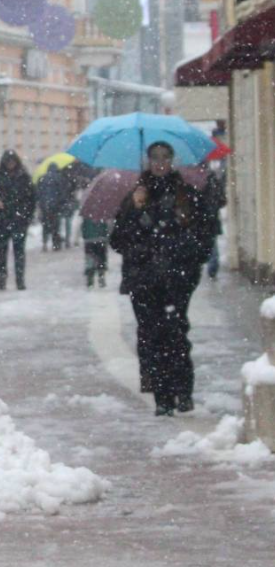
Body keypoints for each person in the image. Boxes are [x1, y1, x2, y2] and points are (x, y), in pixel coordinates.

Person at [110, 141, 216, 416]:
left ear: (172, 160)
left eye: (164, 157)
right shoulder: (135, 196)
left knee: (176, 332)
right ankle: (161, 395)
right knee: (149, 336)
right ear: (147, 161)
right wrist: (134, 210)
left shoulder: (187, 194)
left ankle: (182, 391)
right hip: (143, 280)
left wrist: (184, 258)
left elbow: (205, 236)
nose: (159, 162)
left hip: (176, 279)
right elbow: (118, 240)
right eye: (154, 157)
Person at [0, 150, 36, 291]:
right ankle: (2, 278)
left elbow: (32, 199)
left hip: (19, 221)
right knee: (2, 251)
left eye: (12, 162)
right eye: (8, 162)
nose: (10, 165)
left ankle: (20, 280)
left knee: (19, 251)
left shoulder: (24, 178)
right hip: (1, 220)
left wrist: (26, 216)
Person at [37, 163, 70, 252]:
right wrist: (63, 204)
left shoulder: (41, 178)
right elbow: (62, 192)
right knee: (55, 225)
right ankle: (55, 244)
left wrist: (40, 204)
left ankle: (44, 243)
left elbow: (38, 192)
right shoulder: (59, 178)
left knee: (45, 225)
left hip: (44, 205)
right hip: (55, 206)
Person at [203, 166, 227, 280]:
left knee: (210, 244)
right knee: (212, 245)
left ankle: (212, 267)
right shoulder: (213, 180)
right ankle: (212, 267)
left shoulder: (193, 181)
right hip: (211, 218)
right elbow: (222, 200)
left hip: (206, 219)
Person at [81, 215, 110, 288]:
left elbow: (83, 228)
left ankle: (90, 279)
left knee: (90, 258)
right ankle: (101, 277)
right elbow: (105, 228)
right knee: (101, 258)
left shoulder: (87, 215)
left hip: (89, 241)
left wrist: (86, 236)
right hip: (101, 240)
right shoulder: (102, 214)